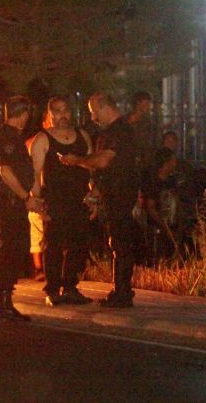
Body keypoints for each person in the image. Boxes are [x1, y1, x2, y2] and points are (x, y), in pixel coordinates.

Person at [60, 92, 140, 308]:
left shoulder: (120, 132)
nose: (93, 118)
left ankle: (122, 292)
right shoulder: (110, 132)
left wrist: (77, 161)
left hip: (119, 194)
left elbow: (104, 161)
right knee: (116, 241)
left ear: (106, 108)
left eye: (95, 113)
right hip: (111, 193)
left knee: (120, 242)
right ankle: (121, 290)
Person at [28, 96, 94, 307]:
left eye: (65, 110)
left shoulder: (82, 136)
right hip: (54, 200)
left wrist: (93, 197)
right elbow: (35, 174)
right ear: (49, 115)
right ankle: (53, 289)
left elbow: (91, 167)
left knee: (78, 245)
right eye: (57, 111)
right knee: (53, 245)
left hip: (79, 199)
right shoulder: (43, 139)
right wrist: (38, 202)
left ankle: (71, 287)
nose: (62, 115)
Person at [0, 96, 40, 322]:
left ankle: (6, 302)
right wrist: (24, 196)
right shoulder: (8, 137)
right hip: (10, 201)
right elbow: (5, 171)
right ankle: (4, 303)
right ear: (23, 114)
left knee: (13, 247)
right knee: (10, 248)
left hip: (10, 200)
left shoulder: (2, 135)